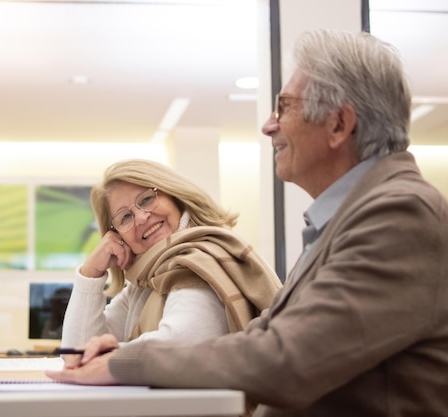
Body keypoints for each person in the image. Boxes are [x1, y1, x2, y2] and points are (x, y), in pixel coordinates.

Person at [46, 28, 448, 417]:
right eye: (126, 217)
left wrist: (124, 362)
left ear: (339, 125)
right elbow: (265, 338)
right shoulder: (347, 220)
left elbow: (287, 359)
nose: (268, 125)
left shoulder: (399, 214)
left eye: (284, 107)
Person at [60, 159, 282, 352]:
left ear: (175, 197)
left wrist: (106, 356)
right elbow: (77, 351)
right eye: (125, 217)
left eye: (146, 199)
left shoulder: (198, 262)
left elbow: (180, 344)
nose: (140, 217)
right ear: (118, 236)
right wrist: (91, 273)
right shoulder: (145, 282)